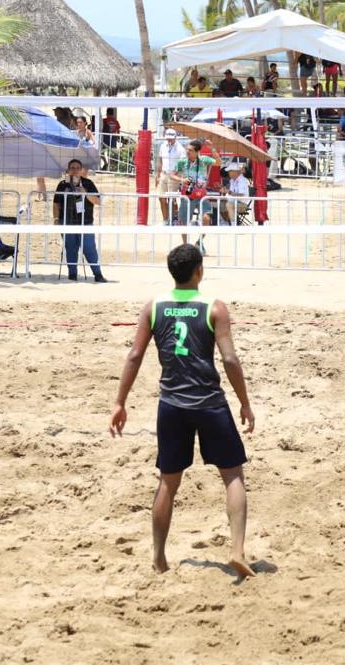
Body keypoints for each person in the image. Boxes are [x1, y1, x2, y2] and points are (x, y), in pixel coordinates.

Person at [109, 243, 256, 576]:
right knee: (233, 475)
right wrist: (245, 403)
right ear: (199, 271)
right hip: (209, 403)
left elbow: (134, 356)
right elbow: (230, 359)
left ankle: (159, 558)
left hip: (171, 404)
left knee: (168, 482)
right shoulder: (214, 308)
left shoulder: (154, 307)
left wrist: (120, 402)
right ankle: (237, 550)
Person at [53, 158, 106, 283]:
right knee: (71, 249)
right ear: (68, 170)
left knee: (89, 249)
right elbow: (56, 204)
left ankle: (98, 274)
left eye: (77, 168)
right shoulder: (62, 184)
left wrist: (85, 193)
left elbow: (98, 201)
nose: (75, 170)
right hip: (67, 222)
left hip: (85, 222)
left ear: (81, 170)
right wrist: (56, 219)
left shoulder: (88, 183)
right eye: (72, 168)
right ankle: (72, 274)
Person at [172, 139, 220, 247]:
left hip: (202, 195)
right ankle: (185, 245)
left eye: (190, 150)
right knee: (183, 223)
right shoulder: (182, 162)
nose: (187, 152)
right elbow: (172, 175)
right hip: (187, 195)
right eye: (187, 149)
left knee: (206, 219)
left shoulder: (204, 160)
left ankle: (199, 242)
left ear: (197, 152)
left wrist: (212, 149)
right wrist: (181, 180)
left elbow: (219, 162)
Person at [156, 128, 185, 224]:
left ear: (175, 137)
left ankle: (174, 219)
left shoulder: (180, 149)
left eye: (171, 138)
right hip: (164, 174)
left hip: (174, 175)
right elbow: (160, 160)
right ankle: (165, 220)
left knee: (172, 199)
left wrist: (174, 174)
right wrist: (158, 175)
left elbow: (181, 164)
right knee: (161, 197)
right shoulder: (162, 146)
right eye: (168, 138)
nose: (169, 140)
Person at [219, 161, 251, 226]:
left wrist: (228, 192)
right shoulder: (232, 180)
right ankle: (227, 222)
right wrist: (224, 190)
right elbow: (231, 193)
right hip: (234, 201)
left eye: (229, 171)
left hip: (242, 204)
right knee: (221, 203)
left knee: (229, 204)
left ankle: (234, 225)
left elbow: (241, 194)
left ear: (235, 172)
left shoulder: (242, 180)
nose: (228, 173)